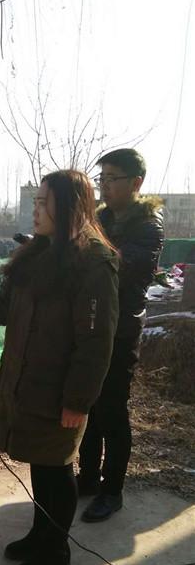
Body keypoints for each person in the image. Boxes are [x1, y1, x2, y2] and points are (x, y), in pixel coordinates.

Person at [0, 170, 119, 565]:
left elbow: (96, 343)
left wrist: (78, 401)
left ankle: (57, 551)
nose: (36, 210)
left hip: (60, 391)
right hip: (27, 382)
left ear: (69, 206)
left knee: (57, 468)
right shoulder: (38, 253)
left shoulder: (93, 264)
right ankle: (40, 534)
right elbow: (5, 304)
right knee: (40, 462)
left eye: (43, 202)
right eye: (35, 201)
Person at [77, 149, 164, 522]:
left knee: (111, 409)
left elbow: (117, 265)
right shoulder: (101, 218)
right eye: (102, 179)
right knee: (87, 404)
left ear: (136, 182)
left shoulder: (148, 227)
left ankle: (112, 491)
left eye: (112, 179)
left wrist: (81, 250)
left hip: (122, 329)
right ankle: (87, 477)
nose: (105, 186)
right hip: (92, 325)